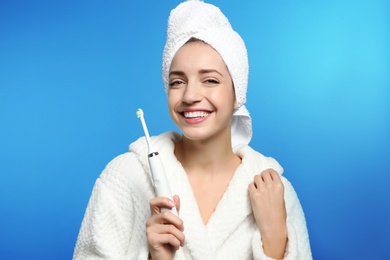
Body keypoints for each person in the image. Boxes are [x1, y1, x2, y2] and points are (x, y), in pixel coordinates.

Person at [73, 1, 312, 259]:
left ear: (237, 94)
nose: (190, 95)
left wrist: (275, 238)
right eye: (177, 81)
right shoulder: (125, 177)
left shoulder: (276, 192)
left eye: (210, 80)